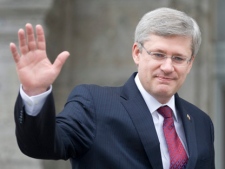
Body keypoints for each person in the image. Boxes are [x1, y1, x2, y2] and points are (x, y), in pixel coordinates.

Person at [10, 7, 215, 169]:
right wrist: (35, 93)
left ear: (190, 63)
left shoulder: (201, 122)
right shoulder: (94, 104)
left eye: (178, 58)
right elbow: (42, 145)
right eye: (158, 54)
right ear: (137, 53)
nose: (168, 67)